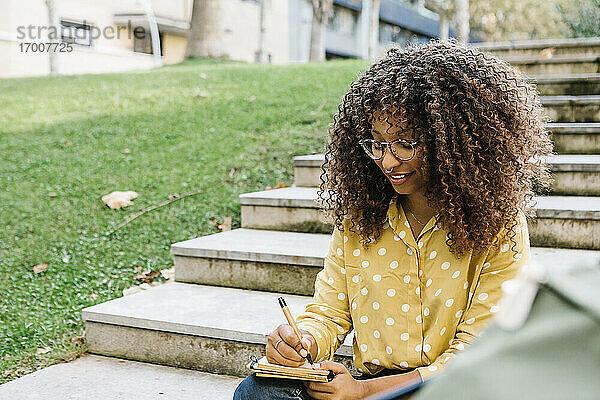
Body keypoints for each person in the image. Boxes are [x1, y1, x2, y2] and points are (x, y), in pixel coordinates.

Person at [233, 38, 554, 400]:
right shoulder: (362, 219)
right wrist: (302, 340)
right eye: (377, 143)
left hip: (456, 386)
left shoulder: (498, 227)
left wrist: (364, 391)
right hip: (372, 385)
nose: (387, 161)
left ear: (451, 141)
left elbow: (478, 351)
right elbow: (329, 311)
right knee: (258, 391)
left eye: (405, 143)